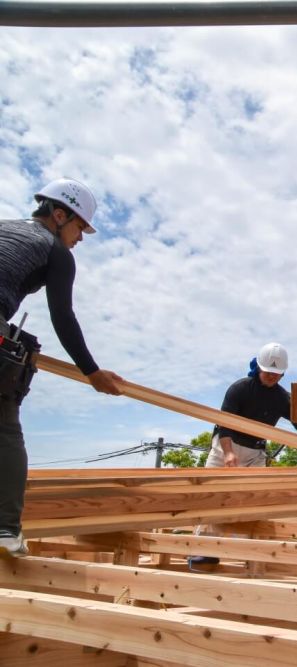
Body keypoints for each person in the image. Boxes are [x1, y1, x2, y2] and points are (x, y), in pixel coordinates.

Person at [0, 179, 123, 557]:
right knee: (5, 429)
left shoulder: (5, 227)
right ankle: (5, 529)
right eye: (79, 228)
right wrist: (92, 371)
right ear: (58, 214)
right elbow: (63, 316)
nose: (80, 238)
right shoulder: (53, 250)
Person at [189, 342, 297, 568]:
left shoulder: (281, 398)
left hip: (254, 452)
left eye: (276, 374)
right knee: (211, 495)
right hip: (225, 447)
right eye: (268, 372)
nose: (271, 377)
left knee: (254, 500)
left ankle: (252, 553)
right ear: (259, 367)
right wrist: (228, 454)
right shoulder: (239, 389)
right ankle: (205, 552)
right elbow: (224, 425)